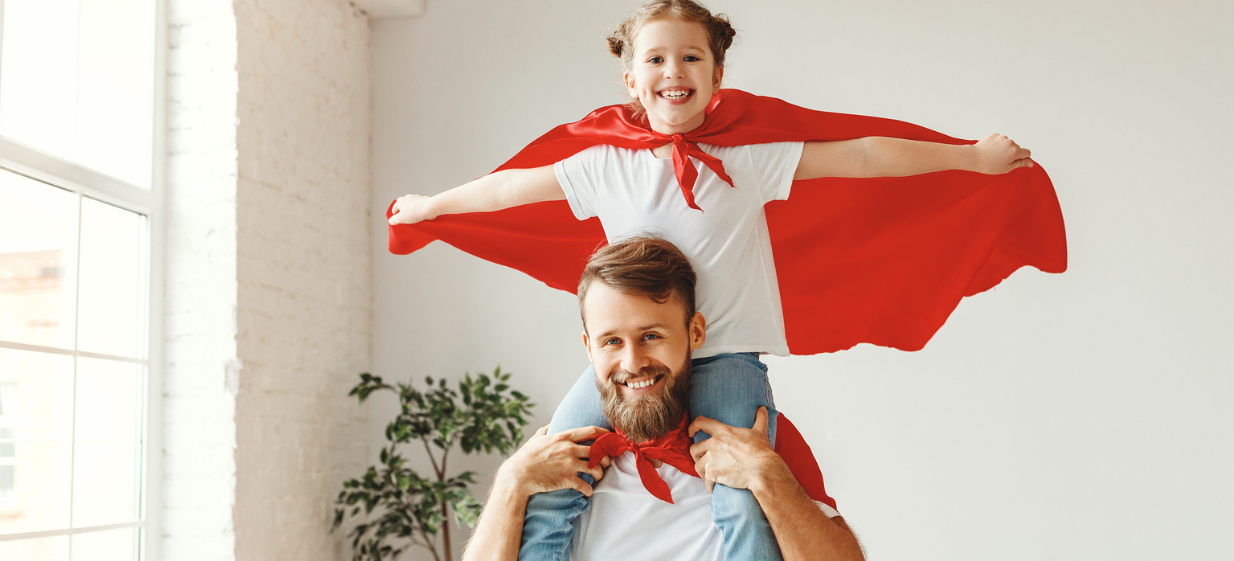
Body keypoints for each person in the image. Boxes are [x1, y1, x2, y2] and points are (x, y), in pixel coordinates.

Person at [387, 1, 1066, 559]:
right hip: (637, 351)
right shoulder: (602, 165)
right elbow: (508, 190)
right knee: (545, 476)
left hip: (726, 356)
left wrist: (970, 158)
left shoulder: (747, 158)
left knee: (741, 493)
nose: (672, 71)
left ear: (716, 75)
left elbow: (859, 157)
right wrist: (430, 207)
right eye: (654, 58)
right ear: (629, 79)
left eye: (690, 57)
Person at [463, 236, 864, 561]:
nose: (633, 362)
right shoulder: (555, 456)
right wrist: (509, 485)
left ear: (695, 334)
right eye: (612, 342)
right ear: (589, 347)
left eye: (651, 336)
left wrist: (770, 479)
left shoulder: (754, 437)